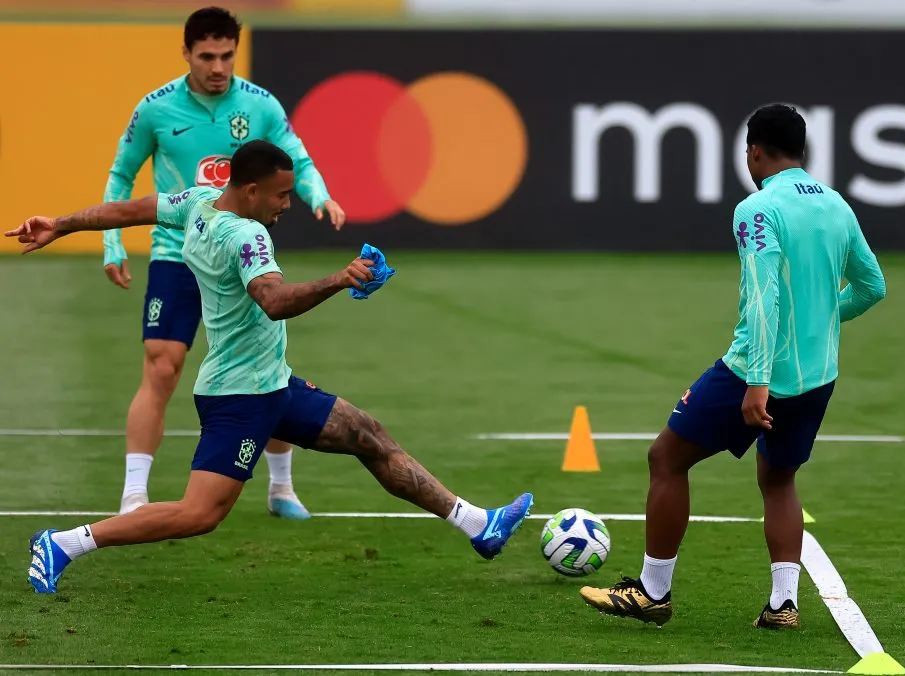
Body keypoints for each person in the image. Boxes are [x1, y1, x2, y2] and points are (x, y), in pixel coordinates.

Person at [12, 140, 534, 595]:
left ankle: (477, 524)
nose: (288, 204)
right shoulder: (245, 236)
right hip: (240, 397)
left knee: (367, 434)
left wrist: (60, 223)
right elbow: (274, 300)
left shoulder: (197, 203)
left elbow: (133, 209)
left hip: (272, 385)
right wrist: (340, 279)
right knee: (199, 514)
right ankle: (64, 543)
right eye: (282, 195)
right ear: (250, 190)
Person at [578, 104, 886, 629]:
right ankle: (783, 604)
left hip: (752, 372)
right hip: (817, 377)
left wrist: (758, 381)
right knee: (779, 480)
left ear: (754, 151)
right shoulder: (836, 205)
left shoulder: (757, 209)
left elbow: (764, 300)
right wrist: (816, 322)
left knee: (666, 458)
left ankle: (652, 593)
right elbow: (872, 286)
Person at [102, 6, 344, 519]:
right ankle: (134, 494)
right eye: (207, 56)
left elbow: (297, 157)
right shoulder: (155, 109)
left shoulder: (260, 105)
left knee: (262, 367)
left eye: (227, 56)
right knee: (161, 364)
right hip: (178, 253)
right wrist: (112, 243)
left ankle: (281, 488)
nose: (218, 67)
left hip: (239, 253)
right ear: (186, 53)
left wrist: (318, 194)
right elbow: (122, 175)